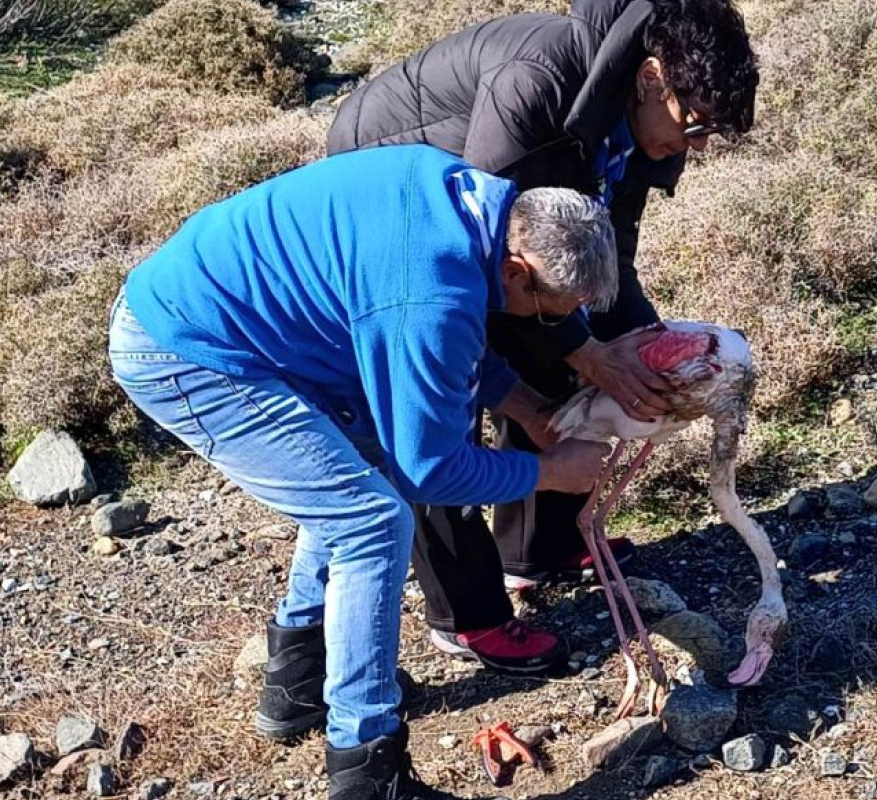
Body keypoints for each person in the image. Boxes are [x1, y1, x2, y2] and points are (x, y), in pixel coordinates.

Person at [108, 144, 617, 799]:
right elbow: (430, 471)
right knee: (370, 521)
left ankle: (299, 679)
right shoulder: (431, 289)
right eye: (552, 311)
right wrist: (547, 472)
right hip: (186, 349)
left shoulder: (470, 205)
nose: (552, 323)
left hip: (233, 318)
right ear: (518, 271)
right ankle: (367, 769)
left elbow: (453, 340)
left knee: (357, 476)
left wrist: (529, 409)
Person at [325, 0, 759, 679]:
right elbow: (497, 255)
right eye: (695, 124)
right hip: (395, 183)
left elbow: (604, 259)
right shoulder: (540, 83)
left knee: (563, 333)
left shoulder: (630, 125)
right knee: (438, 393)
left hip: (498, 218)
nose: (698, 146)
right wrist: (587, 350)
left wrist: (635, 342)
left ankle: (536, 549)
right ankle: (467, 616)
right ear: (652, 79)